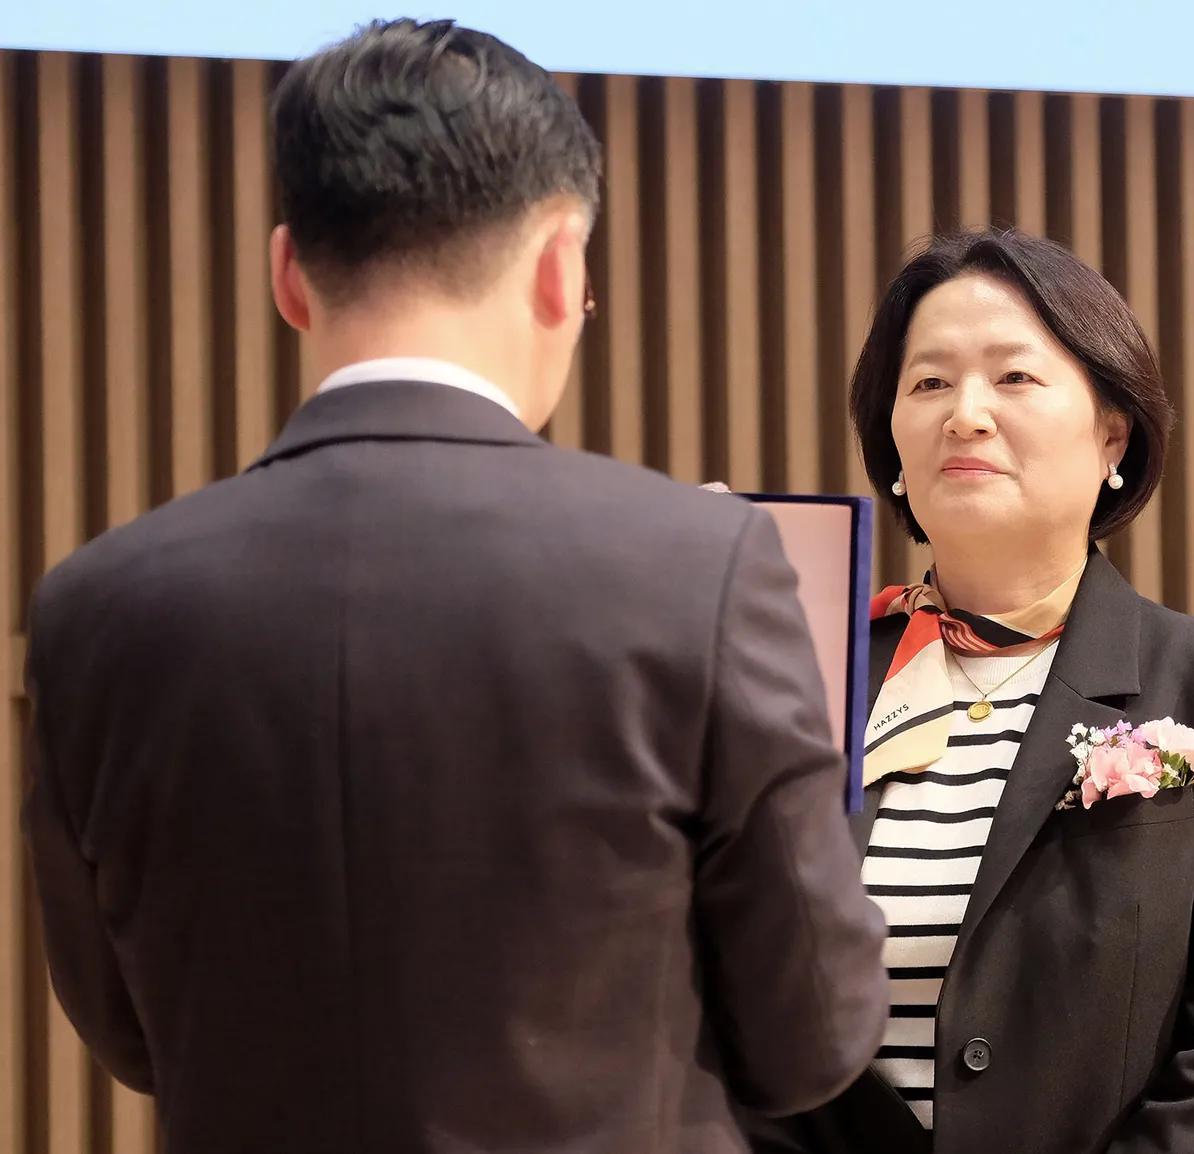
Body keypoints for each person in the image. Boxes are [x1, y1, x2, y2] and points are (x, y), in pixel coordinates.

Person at [21, 19, 887, 1154]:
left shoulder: (95, 604)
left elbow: (131, 1033)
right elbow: (811, 1036)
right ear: (561, 267)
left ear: (288, 274)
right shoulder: (698, 562)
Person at [745, 229, 1194, 1154]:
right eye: (929, 383)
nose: (966, 416)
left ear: (1113, 433)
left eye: (1014, 377)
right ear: (891, 439)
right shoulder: (801, 670)